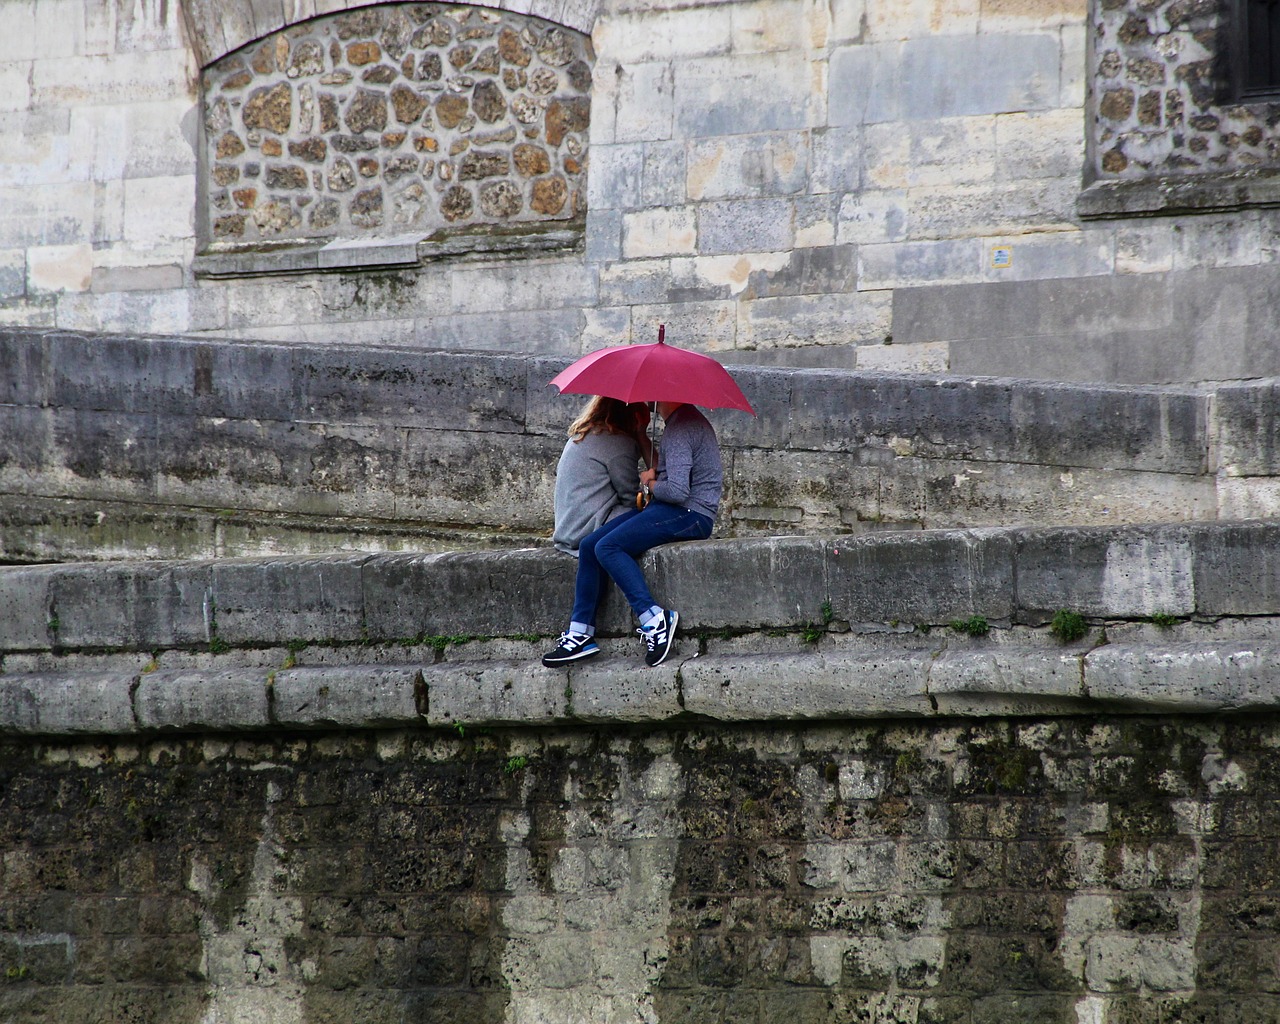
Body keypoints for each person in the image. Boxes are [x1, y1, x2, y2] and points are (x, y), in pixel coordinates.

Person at [542, 400, 722, 669]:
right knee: (592, 545)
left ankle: (654, 619)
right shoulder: (678, 424)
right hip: (672, 509)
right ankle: (581, 633)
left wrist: (649, 482)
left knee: (608, 547)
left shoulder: (682, 427)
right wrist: (643, 443)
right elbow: (669, 475)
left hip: (691, 516)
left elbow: (678, 491)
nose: (648, 401)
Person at [551, 397, 652, 556]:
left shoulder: (582, 434)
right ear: (634, 417)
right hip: (589, 527)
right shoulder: (619, 443)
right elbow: (630, 496)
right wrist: (641, 434)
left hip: (568, 528)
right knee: (654, 520)